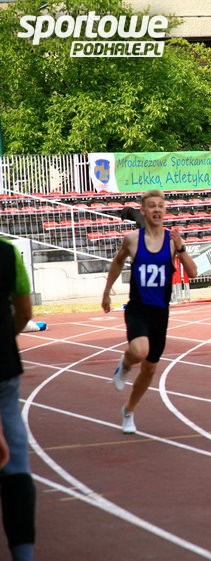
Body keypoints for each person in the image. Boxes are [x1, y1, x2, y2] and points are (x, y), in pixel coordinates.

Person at [101, 189, 197, 433]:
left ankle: (128, 411)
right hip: (138, 309)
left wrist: (182, 248)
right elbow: (118, 261)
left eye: (160, 206)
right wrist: (107, 291)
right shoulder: (132, 239)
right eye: (152, 206)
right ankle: (125, 364)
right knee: (139, 350)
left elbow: (193, 273)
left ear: (165, 210)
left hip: (160, 313)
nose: (156, 210)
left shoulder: (172, 241)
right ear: (143, 211)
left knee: (150, 367)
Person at [0, 237, 36, 561]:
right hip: (4, 366)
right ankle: (24, 554)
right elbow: (24, 311)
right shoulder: (8, 252)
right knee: (16, 463)